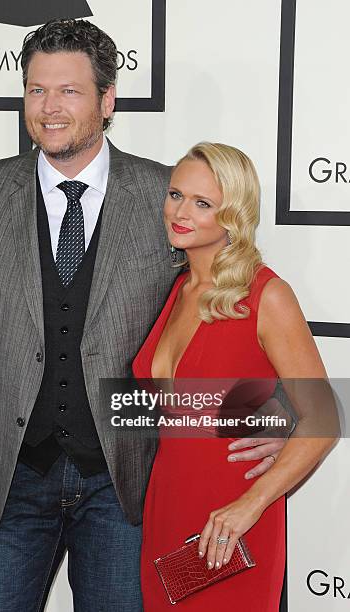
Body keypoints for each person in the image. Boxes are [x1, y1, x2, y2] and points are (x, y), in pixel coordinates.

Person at [0, 20, 284, 612]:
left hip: (128, 484)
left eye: (69, 91)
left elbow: (229, 308)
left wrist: (272, 418)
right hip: (11, 479)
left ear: (108, 100)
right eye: (37, 90)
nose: (50, 107)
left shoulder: (169, 196)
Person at [133, 142, 337, 610]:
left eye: (203, 204)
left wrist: (252, 503)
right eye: (176, 195)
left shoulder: (267, 295)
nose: (180, 213)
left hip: (235, 521)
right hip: (166, 509)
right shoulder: (178, 289)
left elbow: (323, 414)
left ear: (234, 215)